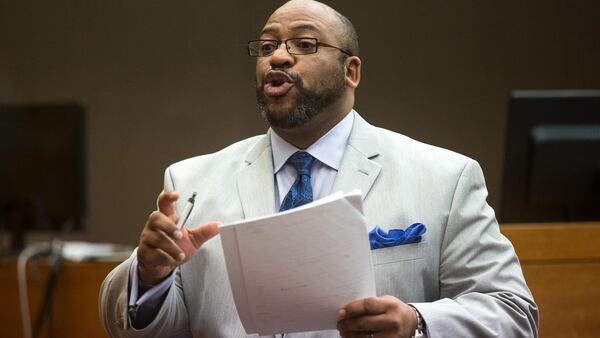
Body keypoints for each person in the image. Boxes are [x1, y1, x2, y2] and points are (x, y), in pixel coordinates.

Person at [99, 1, 539, 337]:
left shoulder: (444, 177)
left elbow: (514, 313)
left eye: (304, 45)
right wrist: (150, 277)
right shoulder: (191, 182)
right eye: (267, 46)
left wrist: (417, 321)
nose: (279, 58)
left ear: (351, 71)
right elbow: (151, 327)